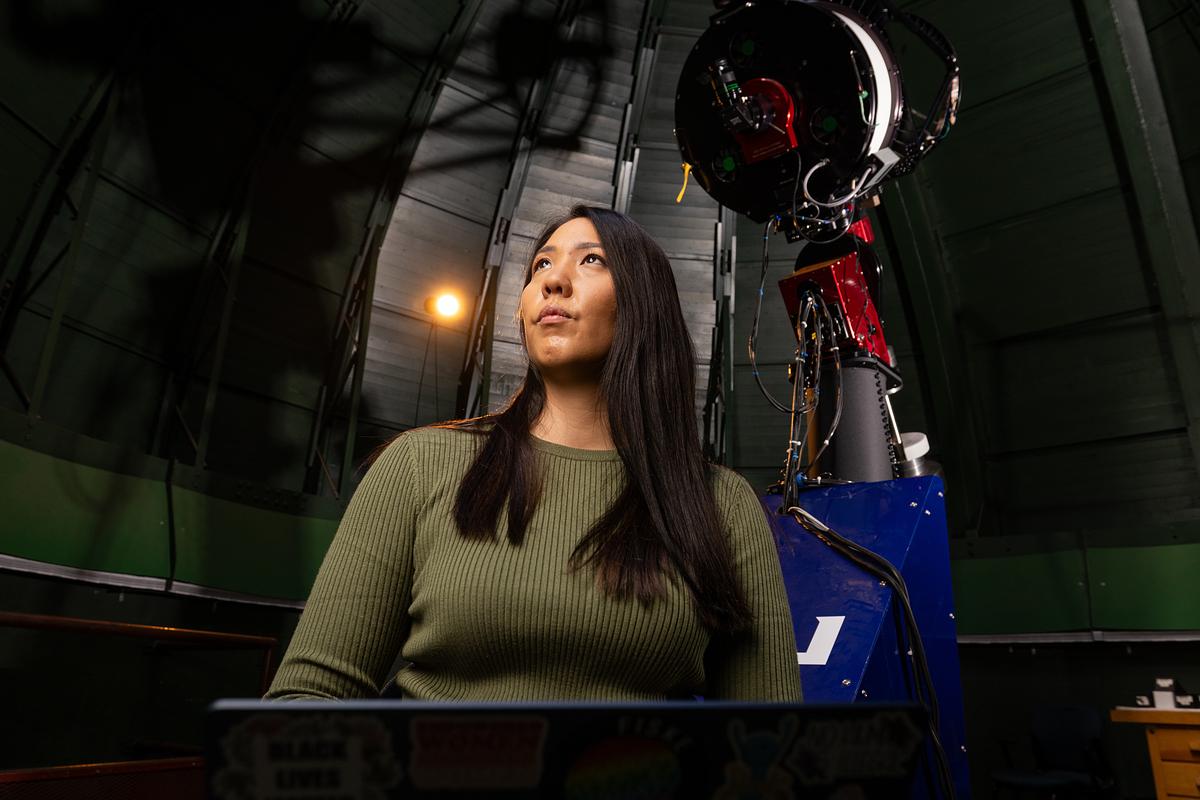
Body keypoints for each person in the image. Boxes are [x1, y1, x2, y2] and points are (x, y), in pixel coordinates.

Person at [266, 205, 801, 702]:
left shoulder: (720, 503)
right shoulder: (417, 465)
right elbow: (308, 699)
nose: (552, 278)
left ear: (644, 304)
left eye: (592, 260)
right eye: (541, 263)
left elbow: (768, 748)